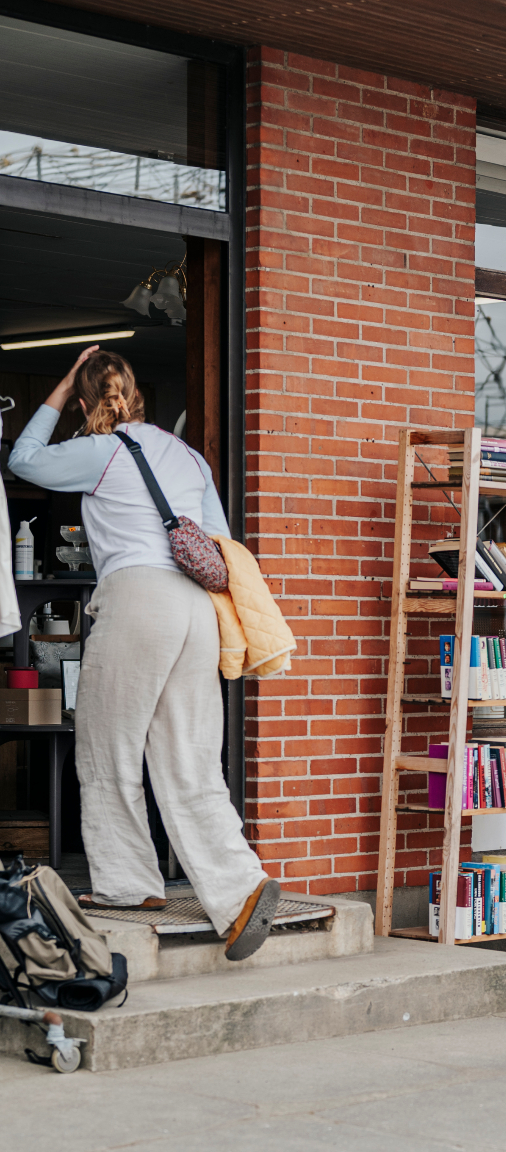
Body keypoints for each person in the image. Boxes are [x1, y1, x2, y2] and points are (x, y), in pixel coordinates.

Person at [8, 346, 279, 961]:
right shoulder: (186, 454)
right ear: (139, 395)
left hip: (138, 599)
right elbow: (220, 540)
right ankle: (241, 890)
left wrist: (55, 390)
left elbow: (24, 460)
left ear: (85, 402)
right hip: (198, 609)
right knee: (191, 761)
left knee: (107, 748)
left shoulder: (102, 451)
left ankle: (130, 887)